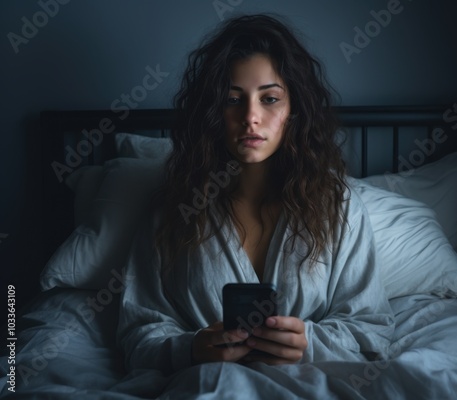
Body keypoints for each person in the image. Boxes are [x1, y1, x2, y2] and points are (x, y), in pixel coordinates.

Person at [117, 13, 394, 376]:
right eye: (233, 100)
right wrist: (191, 348)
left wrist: (308, 344)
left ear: (294, 109)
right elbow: (137, 335)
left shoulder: (339, 206)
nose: (251, 117)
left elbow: (373, 332)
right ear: (213, 112)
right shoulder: (174, 210)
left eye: (270, 99)